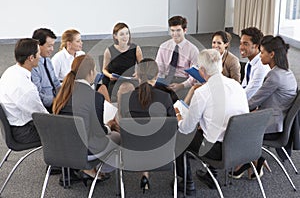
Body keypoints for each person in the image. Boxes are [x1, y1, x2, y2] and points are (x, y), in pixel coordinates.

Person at [174, 49, 249, 194]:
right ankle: (211, 175)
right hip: (244, 145)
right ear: (220, 66)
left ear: (201, 70)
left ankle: (187, 183)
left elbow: (186, 129)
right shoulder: (236, 86)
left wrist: (179, 116)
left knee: (180, 135)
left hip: (219, 151)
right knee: (211, 128)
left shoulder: (202, 92)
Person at [231, 36, 297, 179]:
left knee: (234, 126)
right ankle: (253, 160)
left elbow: (254, 101)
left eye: (262, 52)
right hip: (279, 120)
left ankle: (252, 159)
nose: (260, 55)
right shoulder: (287, 73)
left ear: (271, 54)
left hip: (272, 126)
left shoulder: (274, 76)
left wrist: (231, 106)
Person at [52, 54, 120, 185]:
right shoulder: (95, 97)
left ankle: (85, 169)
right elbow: (99, 133)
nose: (96, 73)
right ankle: (95, 169)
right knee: (117, 136)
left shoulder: (61, 93)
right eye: (95, 70)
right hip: (85, 150)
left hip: (59, 148)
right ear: (90, 72)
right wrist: (109, 126)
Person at [119, 58, 176, 193]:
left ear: (137, 75)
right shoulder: (165, 98)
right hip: (161, 155)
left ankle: (145, 173)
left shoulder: (126, 98)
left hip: (132, 153)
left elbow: (124, 125)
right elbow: (174, 128)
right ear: (157, 76)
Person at [0, 38, 48, 144]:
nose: (40, 57)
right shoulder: (27, 89)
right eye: (39, 54)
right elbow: (42, 117)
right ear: (31, 58)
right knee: (69, 130)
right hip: (23, 132)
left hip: (12, 125)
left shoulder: (10, 71)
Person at [155, 16, 199, 99]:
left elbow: (194, 77)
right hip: (166, 78)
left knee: (176, 102)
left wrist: (181, 86)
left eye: (178, 30)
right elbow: (159, 68)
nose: (175, 34)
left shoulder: (193, 50)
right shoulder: (163, 46)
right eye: (172, 30)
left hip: (182, 80)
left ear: (185, 30)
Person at [102, 22, 143, 100]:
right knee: (124, 89)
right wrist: (109, 75)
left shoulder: (136, 48)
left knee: (129, 88)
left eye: (127, 33)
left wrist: (138, 73)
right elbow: (104, 70)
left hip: (131, 78)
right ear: (115, 36)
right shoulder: (109, 51)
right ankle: (124, 110)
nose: (125, 37)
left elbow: (142, 66)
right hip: (116, 81)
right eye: (122, 34)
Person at [31, 28, 61, 113]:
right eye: (49, 46)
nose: (52, 49)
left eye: (53, 45)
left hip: (56, 102)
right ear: (38, 46)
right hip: (46, 107)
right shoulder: (33, 66)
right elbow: (38, 96)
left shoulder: (47, 60)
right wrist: (55, 101)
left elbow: (55, 82)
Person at [240, 27, 270, 99]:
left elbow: (250, 93)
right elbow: (244, 86)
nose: (241, 47)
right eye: (241, 43)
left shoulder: (261, 66)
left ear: (256, 46)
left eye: (245, 44)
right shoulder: (249, 64)